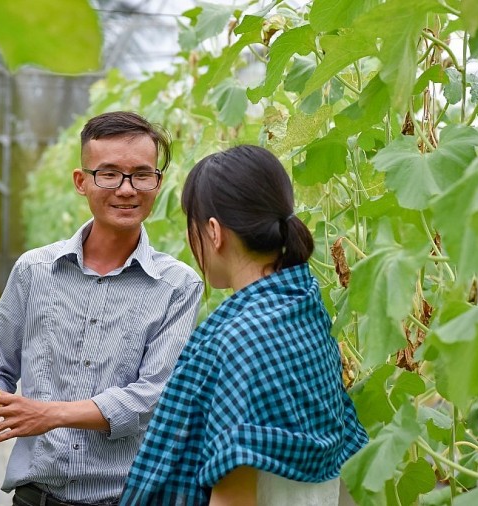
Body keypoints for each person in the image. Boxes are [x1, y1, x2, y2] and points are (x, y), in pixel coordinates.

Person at [0, 111, 204, 506]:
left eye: (141, 175)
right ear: (81, 181)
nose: (126, 189)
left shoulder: (178, 286)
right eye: (109, 174)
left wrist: (51, 414)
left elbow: (154, 397)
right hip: (35, 498)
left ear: (158, 181)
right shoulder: (34, 270)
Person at [120, 145, 368, 506]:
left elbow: (234, 497)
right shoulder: (304, 305)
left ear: (214, 232)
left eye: (192, 225)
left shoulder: (243, 338)